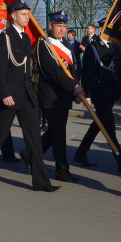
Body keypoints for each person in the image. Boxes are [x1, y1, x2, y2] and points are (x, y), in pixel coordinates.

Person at [0, 1, 57, 192]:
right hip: (9, 95)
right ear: (13, 16)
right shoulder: (5, 37)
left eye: (28, 14)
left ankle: (41, 182)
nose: (28, 17)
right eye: (24, 14)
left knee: (34, 137)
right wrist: (4, 93)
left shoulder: (26, 38)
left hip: (25, 94)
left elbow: (25, 68)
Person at [25, 10, 82, 183]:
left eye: (64, 26)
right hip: (51, 96)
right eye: (58, 26)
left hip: (64, 95)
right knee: (59, 134)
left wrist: (75, 89)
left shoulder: (65, 43)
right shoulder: (44, 44)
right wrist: (74, 87)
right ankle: (62, 170)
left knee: (55, 132)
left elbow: (72, 70)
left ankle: (29, 155)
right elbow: (53, 71)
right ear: (51, 26)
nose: (62, 29)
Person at [74, 18, 121, 173]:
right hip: (98, 93)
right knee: (109, 127)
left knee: (98, 123)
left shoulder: (114, 47)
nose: (110, 32)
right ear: (101, 29)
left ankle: (81, 153)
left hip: (111, 92)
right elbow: (87, 72)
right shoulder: (93, 47)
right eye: (107, 29)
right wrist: (87, 94)